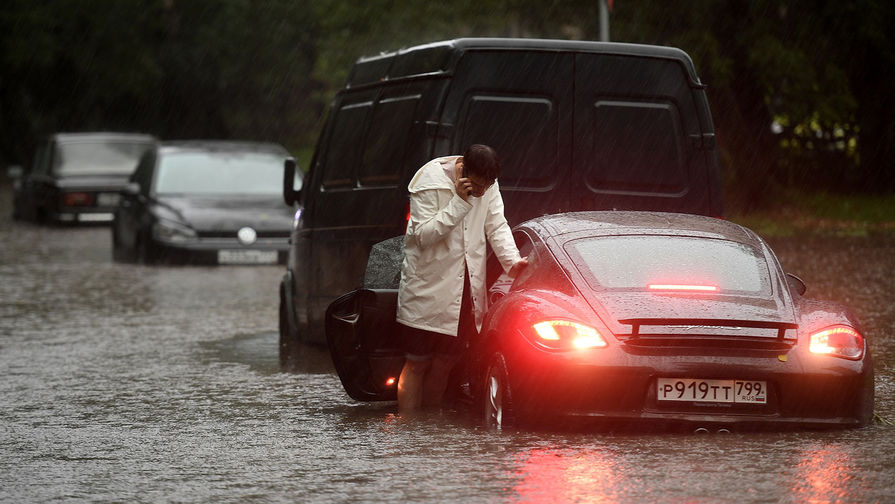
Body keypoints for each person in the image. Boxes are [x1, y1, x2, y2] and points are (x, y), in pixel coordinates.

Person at [396, 144, 527, 413]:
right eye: (477, 186)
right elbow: (423, 236)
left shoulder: (489, 186)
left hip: (464, 287)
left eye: (485, 187)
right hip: (427, 285)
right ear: (463, 172)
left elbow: (497, 225)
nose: (480, 192)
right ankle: (407, 434)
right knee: (416, 362)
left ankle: (430, 426)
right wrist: (458, 203)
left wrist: (512, 262)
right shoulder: (429, 182)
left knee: (445, 362)